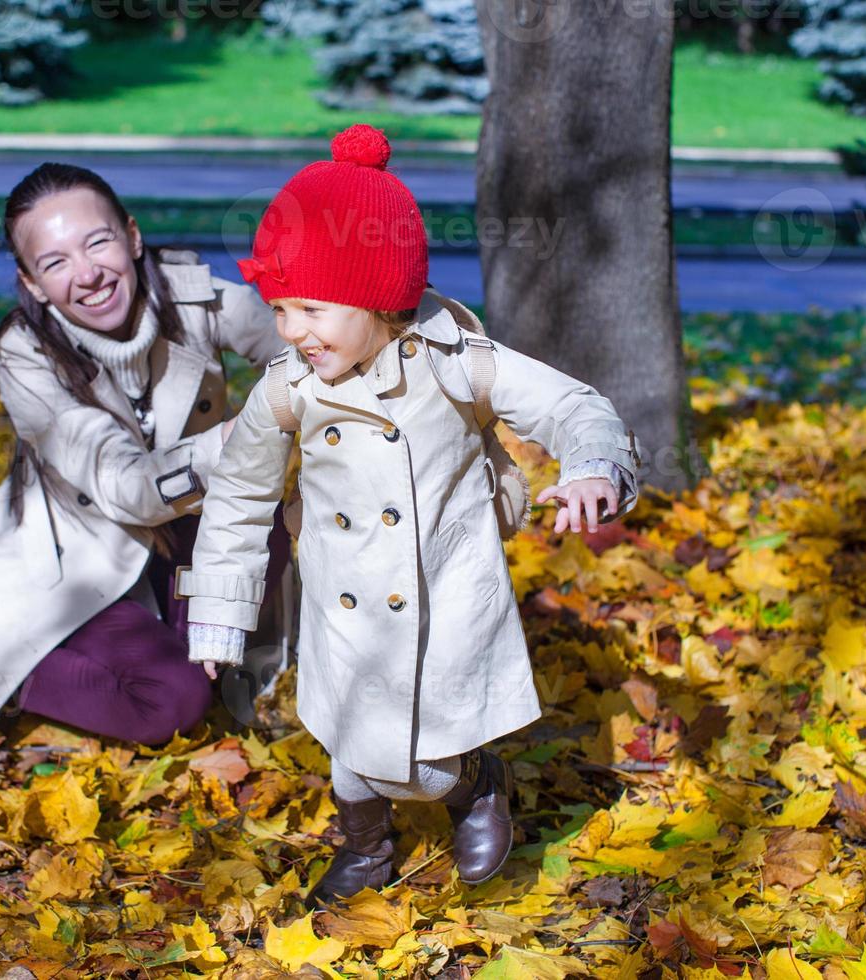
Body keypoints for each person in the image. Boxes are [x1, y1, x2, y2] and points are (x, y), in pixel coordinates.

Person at [174, 125, 643, 907]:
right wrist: (220, 616)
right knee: (348, 746)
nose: (290, 332)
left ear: (378, 296)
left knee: (425, 749)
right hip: (340, 596)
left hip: (443, 588)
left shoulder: (456, 360)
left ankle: (471, 784)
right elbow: (239, 497)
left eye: (311, 308)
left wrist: (593, 466)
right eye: (280, 307)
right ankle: (365, 848)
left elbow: (571, 406)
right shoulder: (290, 386)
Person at [0, 162, 292, 767]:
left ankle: (197, 659)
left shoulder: (193, 295)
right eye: (55, 261)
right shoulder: (25, 355)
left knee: (269, 515)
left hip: (178, 528)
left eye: (98, 241)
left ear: (133, 236)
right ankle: (14, 670)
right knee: (170, 703)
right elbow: (125, 486)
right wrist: (239, 439)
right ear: (34, 283)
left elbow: (300, 344)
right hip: (78, 561)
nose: (88, 273)